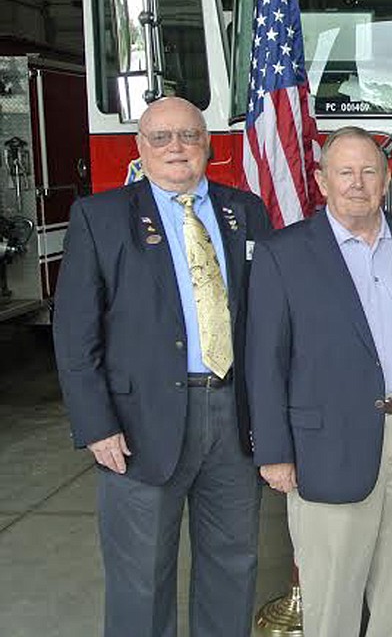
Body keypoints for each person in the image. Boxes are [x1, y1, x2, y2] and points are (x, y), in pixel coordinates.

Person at [53, 96, 273, 636]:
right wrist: (96, 424)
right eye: (161, 137)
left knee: (232, 563)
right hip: (138, 425)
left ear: (209, 145)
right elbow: (75, 333)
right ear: (140, 148)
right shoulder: (100, 217)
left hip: (234, 419)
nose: (176, 147)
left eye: (189, 136)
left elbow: (270, 319)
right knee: (141, 576)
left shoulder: (245, 211)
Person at [246, 126, 392, 637]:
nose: (357, 183)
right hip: (327, 445)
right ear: (321, 180)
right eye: (345, 172)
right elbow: (264, 360)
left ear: (386, 178)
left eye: (368, 171)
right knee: (332, 594)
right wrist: (274, 452)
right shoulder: (283, 253)